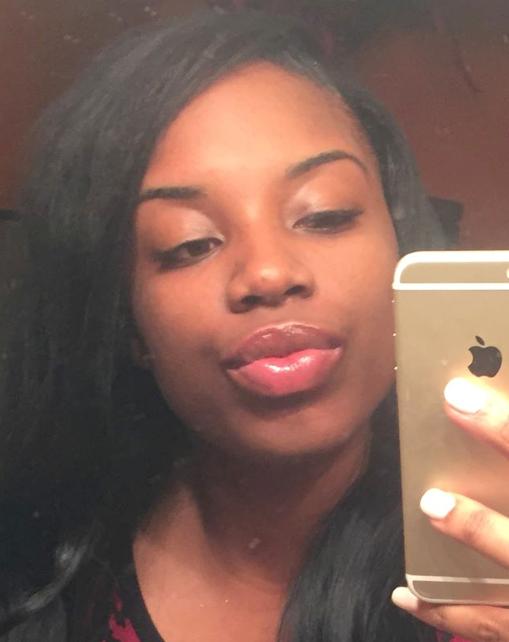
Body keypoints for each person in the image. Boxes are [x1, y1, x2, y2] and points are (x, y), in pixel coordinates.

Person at [1, 9, 508, 642]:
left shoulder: (488, 564)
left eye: (325, 215)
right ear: (127, 322)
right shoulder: (38, 575)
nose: (268, 273)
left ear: (400, 250)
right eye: (189, 244)